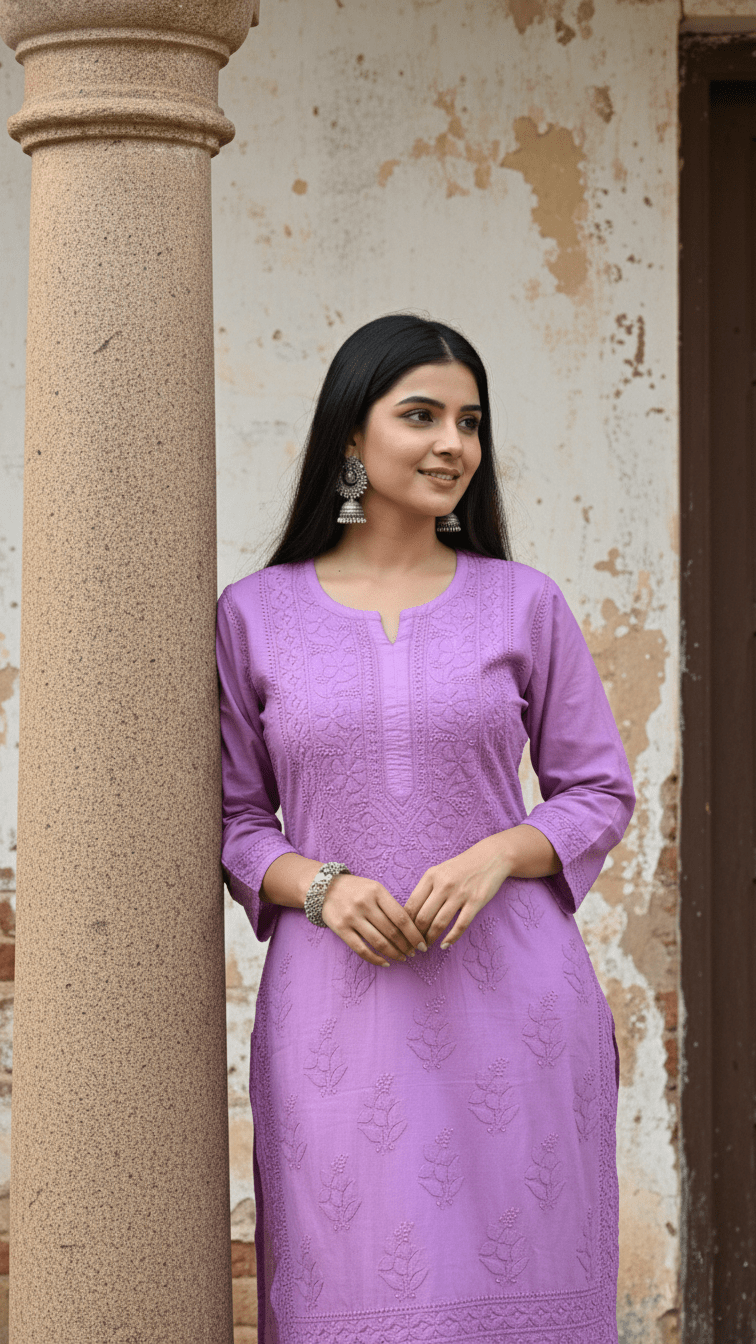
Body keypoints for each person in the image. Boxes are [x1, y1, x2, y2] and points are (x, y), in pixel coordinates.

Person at [216, 313, 634, 1344]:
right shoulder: (254, 615)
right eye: (422, 416)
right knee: (354, 1294)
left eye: (470, 422)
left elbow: (596, 789)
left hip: (515, 1003)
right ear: (351, 437)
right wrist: (321, 886)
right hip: (338, 1012)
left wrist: (497, 854)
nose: (453, 443)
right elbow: (234, 819)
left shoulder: (523, 603)